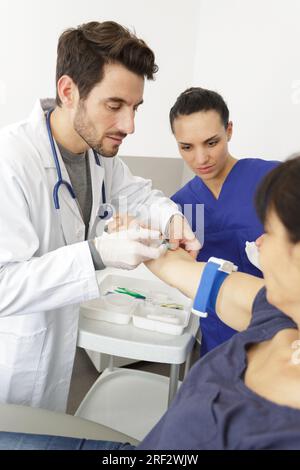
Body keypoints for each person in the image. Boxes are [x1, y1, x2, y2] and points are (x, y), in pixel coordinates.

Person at [1, 155, 300, 450]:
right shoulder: (272, 311)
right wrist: (139, 235)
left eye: (270, 232)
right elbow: (177, 268)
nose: (258, 242)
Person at [0, 21, 200, 412]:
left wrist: (172, 219)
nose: (129, 125)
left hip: (54, 350)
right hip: (11, 361)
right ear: (68, 91)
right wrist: (96, 253)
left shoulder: (97, 155)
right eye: (115, 106)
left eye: (135, 108)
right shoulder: (11, 162)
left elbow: (138, 194)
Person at [170, 87, 279, 355]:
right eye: (186, 147)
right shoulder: (180, 206)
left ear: (228, 131)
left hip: (279, 328)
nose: (200, 159)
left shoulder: (274, 180)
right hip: (219, 335)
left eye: (211, 142)